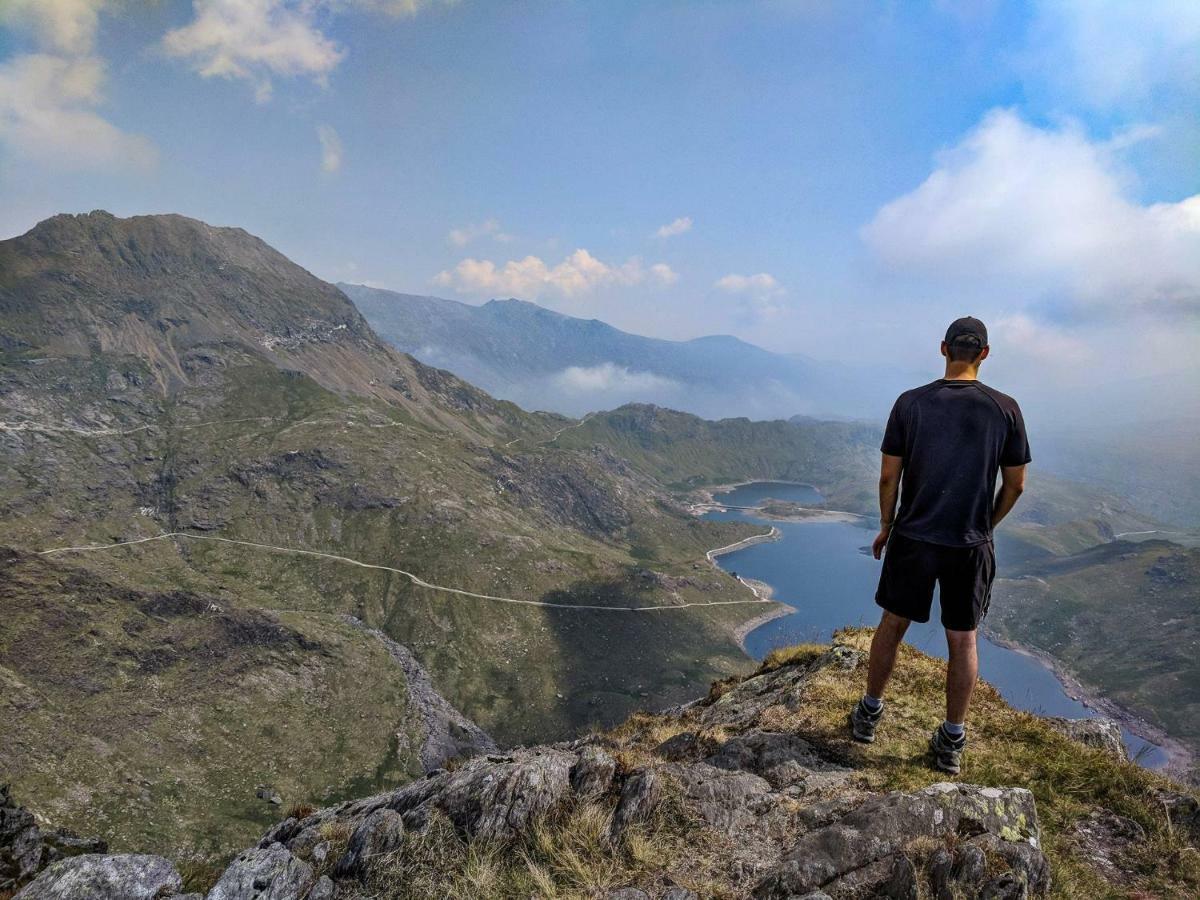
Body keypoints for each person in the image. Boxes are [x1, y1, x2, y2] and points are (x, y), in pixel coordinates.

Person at [848, 317, 1030, 774]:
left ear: (944, 348)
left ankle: (868, 716)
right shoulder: (1005, 409)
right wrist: (984, 524)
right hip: (969, 543)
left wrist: (887, 525)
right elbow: (1016, 486)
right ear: (985, 354)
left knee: (892, 623)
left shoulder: (911, 404)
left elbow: (890, 474)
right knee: (963, 639)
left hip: (914, 536)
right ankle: (951, 741)